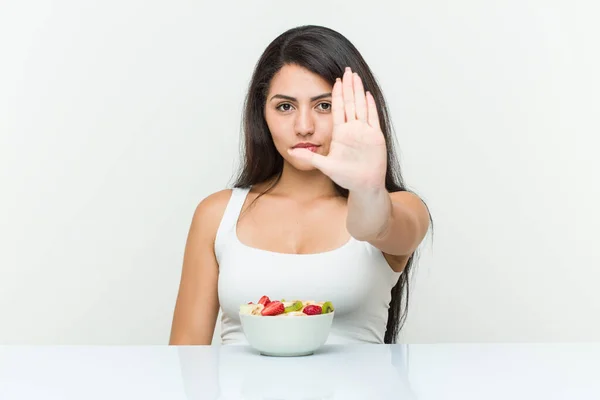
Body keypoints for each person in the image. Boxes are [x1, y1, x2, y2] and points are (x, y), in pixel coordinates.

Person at [169, 25, 432, 346]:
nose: (304, 126)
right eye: (285, 106)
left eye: (324, 106)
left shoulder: (402, 208)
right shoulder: (217, 214)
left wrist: (367, 188)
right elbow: (185, 361)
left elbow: (374, 225)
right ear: (261, 114)